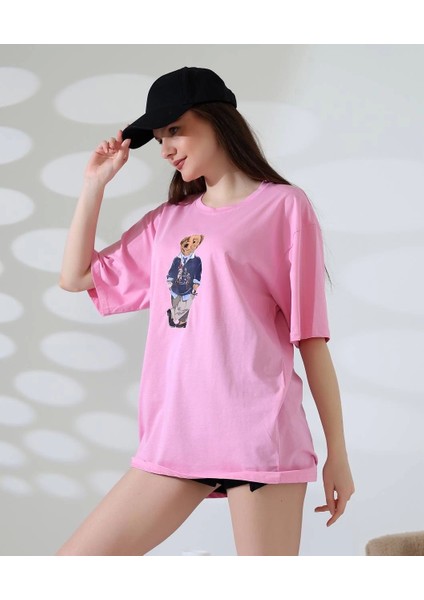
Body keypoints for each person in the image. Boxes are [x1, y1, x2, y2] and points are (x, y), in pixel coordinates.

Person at [57, 66, 355, 556]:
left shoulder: (284, 207)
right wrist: (94, 185)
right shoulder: (168, 221)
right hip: (177, 435)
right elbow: (76, 277)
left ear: (218, 120)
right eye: (159, 138)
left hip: (260, 436)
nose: (166, 148)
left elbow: (310, 337)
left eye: (175, 130)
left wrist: (336, 453)